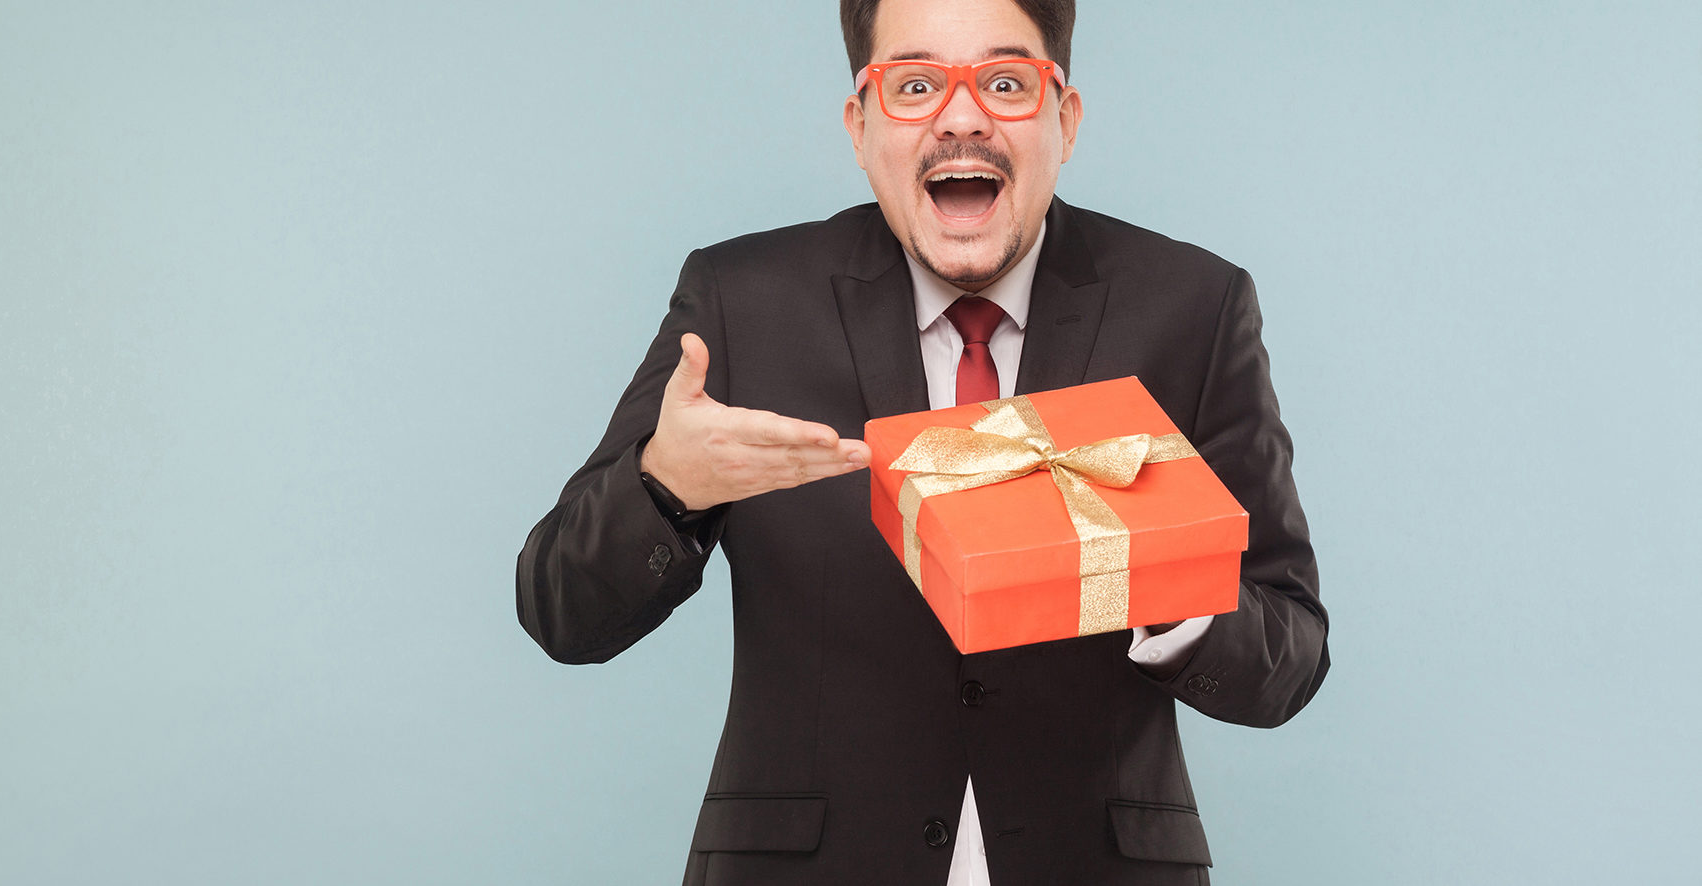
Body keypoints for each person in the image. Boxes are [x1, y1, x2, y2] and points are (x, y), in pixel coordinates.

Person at [516, 0, 1329, 882]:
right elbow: (561, 611)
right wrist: (664, 485)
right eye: (914, 85)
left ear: (1066, 118)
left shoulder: (1192, 309)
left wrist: (1165, 586)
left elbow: (1291, 651)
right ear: (860, 127)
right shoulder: (742, 303)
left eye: (1007, 82)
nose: (963, 115)